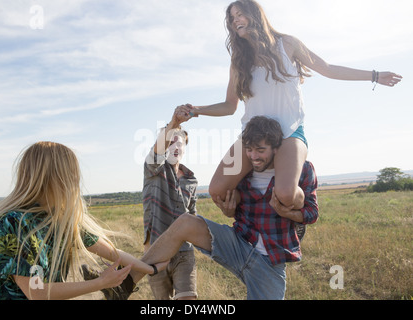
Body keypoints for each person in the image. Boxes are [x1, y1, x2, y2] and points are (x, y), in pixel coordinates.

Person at [179, 0, 402, 211]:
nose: (235, 20)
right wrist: (198, 110)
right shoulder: (238, 61)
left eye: (239, 14)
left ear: (254, 14)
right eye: (231, 18)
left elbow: (328, 69)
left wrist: (374, 75)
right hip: (252, 136)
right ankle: (251, 215)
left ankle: (300, 211)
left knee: (286, 194)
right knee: (216, 190)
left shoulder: (288, 44)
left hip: (290, 133)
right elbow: (229, 106)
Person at [129, 116, 319, 300]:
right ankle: (127, 281)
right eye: (249, 150)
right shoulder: (243, 170)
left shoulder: (301, 170)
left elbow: (312, 213)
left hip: (271, 261)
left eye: (260, 150)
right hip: (239, 245)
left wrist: (290, 213)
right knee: (186, 222)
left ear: (276, 148)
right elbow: (234, 208)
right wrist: (229, 211)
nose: (254, 156)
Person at [0, 141, 166, 300]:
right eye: (71, 174)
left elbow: (111, 252)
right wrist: (101, 283)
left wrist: (151, 268)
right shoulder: (13, 224)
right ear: (54, 177)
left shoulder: (58, 218)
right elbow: (37, 292)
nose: (75, 181)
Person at [141, 106, 198, 300]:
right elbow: (157, 153)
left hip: (184, 252)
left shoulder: (191, 180)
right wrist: (174, 124)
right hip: (156, 252)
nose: (174, 147)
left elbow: (192, 215)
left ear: (184, 147)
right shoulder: (153, 169)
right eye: (169, 141)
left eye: (179, 143)